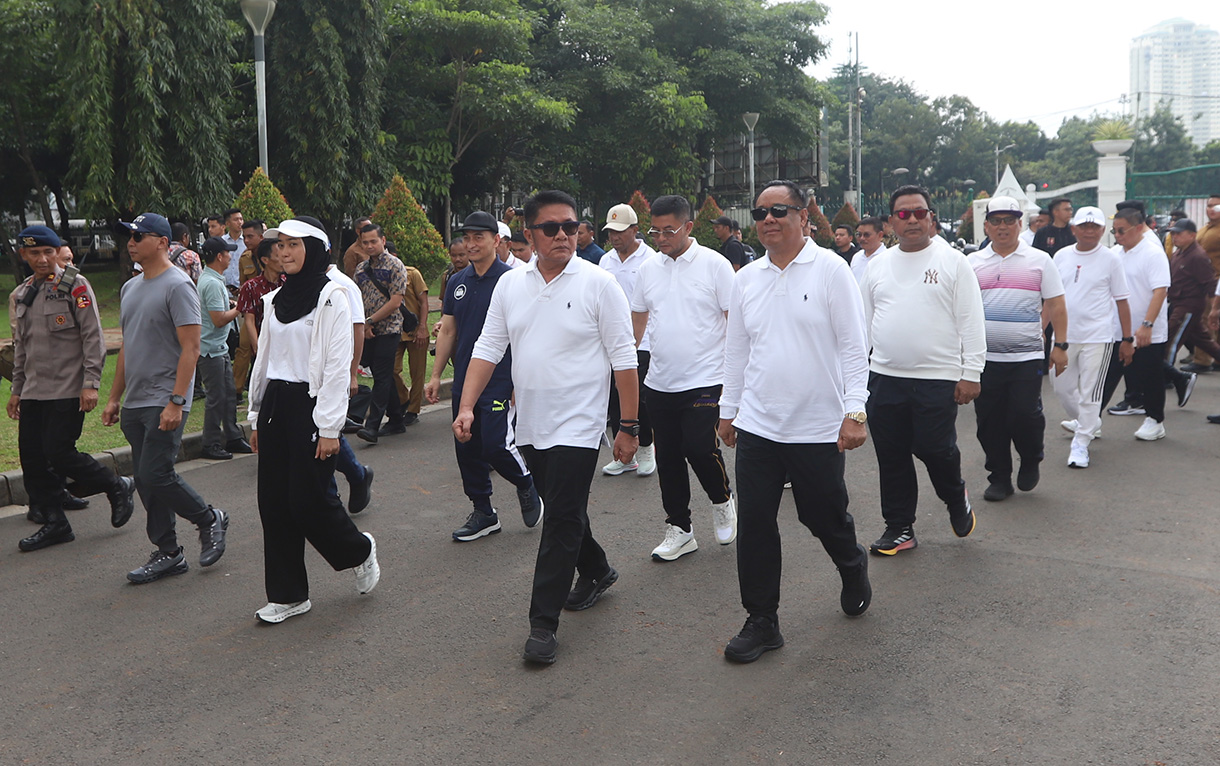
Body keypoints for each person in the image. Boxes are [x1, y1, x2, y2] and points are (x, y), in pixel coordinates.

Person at [455, 190, 638, 666]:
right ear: (529, 236)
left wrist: (630, 426)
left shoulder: (600, 284)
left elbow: (624, 361)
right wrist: (467, 406)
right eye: (552, 228)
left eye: (571, 226)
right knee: (565, 507)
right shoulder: (511, 287)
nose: (564, 235)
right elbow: (487, 348)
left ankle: (542, 623)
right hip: (532, 423)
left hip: (580, 424)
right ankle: (597, 569)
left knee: (558, 519)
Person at [717, 180, 872, 663]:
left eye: (779, 211)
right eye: (760, 213)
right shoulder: (746, 279)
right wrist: (728, 409)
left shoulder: (830, 270)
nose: (768, 220)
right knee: (757, 523)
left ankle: (851, 564)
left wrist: (855, 411)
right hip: (760, 425)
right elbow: (737, 350)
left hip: (818, 427)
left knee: (822, 514)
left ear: (804, 217)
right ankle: (762, 620)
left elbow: (853, 345)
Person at [246, 217, 380, 623]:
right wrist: (255, 414)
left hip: (311, 404)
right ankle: (288, 596)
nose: (283, 253)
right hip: (275, 405)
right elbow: (265, 361)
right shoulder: (276, 299)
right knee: (273, 502)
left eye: (294, 245)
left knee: (307, 501)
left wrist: (329, 427)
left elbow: (339, 366)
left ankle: (359, 551)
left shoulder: (333, 297)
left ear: (316, 249)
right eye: (280, 246)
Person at [101, 213, 230, 584]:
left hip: (164, 396)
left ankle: (209, 519)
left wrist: (177, 400)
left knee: (155, 472)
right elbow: (129, 346)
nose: (130, 241)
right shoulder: (130, 287)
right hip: (137, 400)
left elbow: (191, 347)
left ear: (161, 242)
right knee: (146, 481)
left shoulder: (178, 285)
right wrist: (114, 398)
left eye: (138, 235)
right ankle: (169, 552)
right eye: (128, 235)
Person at [859, 185, 986, 556]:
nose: (912, 219)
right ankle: (899, 527)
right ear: (891, 222)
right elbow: (862, 324)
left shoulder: (953, 261)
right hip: (884, 376)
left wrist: (972, 372)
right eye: (903, 214)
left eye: (919, 212)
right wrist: (852, 377)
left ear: (931, 217)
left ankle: (955, 496)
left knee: (934, 448)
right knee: (892, 454)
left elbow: (971, 320)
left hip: (938, 377)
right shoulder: (877, 265)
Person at [8, 226, 136, 552]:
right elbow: (21, 348)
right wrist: (17, 389)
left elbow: (93, 336)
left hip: (67, 388)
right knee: (33, 460)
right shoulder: (23, 293)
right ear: (24, 255)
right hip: (34, 390)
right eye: (34, 253)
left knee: (59, 453)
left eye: (47, 252)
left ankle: (116, 485)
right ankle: (55, 522)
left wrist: (91, 383)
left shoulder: (74, 286)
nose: (41, 258)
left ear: (56, 251)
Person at [426, 211, 543, 542]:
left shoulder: (513, 281)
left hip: (502, 379)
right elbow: (448, 329)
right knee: (466, 444)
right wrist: (436, 376)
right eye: (467, 237)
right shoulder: (458, 282)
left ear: (497, 241)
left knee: (494, 444)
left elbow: (528, 334)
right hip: (466, 378)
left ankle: (525, 483)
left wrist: (523, 380)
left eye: (479, 237)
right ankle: (484, 511)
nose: (471, 243)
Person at [631, 195, 736, 561]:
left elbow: (733, 322)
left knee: (698, 447)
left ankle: (722, 500)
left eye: (668, 230)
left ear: (688, 227)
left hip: (706, 377)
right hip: (660, 380)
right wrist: (627, 358)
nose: (660, 238)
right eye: (654, 231)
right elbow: (639, 319)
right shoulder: (648, 269)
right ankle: (680, 528)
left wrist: (738, 381)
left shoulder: (715, 265)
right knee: (670, 457)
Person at [966, 197, 1068, 502]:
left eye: (1009, 221)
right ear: (986, 226)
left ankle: (1031, 456)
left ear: (1019, 224)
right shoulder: (972, 263)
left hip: (1026, 356)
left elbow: (1056, 304)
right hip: (984, 359)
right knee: (989, 422)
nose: (1002, 227)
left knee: (1024, 414)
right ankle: (999, 477)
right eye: (996, 221)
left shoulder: (1039, 260)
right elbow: (962, 310)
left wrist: (1061, 345)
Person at [1050, 207, 1133, 469]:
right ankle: (1089, 421)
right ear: (1073, 229)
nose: (1089, 231)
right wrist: (1039, 330)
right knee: (1060, 386)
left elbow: (1122, 301)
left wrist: (1127, 338)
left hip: (1098, 336)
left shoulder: (1110, 259)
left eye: (1094, 227)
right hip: (1063, 336)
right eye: (1084, 226)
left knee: (1090, 392)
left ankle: (1081, 443)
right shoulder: (1061, 256)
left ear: (1101, 230)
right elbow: (1051, 299)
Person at [1099, 208, 1173, 441]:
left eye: (1122, 231)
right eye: (1114, 231)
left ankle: (1155, 420)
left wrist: (1147, 324)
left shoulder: (1152, 253)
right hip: (1118, 328)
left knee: (1150, 375)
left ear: (1139, 227)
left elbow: (1160, 291)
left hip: (1146, 330)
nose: (1117, 235)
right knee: (1106, 374)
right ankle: (1090, 419)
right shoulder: (1114, 254)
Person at [598, 203, 659, 478]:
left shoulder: (651, 259)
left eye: (621, 231)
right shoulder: (605, 261)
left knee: (640, 400)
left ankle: (646, 448)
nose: (615, 237)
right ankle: (624, 456)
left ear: (635, 230)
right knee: (613, 398)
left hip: (644, 341)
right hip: (611, 340)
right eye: (611, 232)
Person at [195, 236, 251, 461]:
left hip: (217, 348)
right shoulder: (211, 283)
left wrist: (233, 305)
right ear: (219, 256)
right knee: (216, 398)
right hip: (210, 350)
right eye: (227, 252)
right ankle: (210, 443)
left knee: (228, 395)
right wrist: (241, 308)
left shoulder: (211, 279)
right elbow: (218, 319)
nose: (230, 256)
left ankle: (232, 435)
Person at [353, 223, 410, 443]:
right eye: (365, 242)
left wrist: (369, 321)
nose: (369, 246)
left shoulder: (395, 265)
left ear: (383, 241)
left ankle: (372, 426)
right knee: (378, 373)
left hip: (390, 328)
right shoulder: (360, 269)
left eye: (373, 241)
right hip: (368, 330)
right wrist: (363, 326)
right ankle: (396, 418)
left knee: (383, 374)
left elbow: (396, 301)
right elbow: (357, 299)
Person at [1164, 219, 1214, 405]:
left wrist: (1213, 309)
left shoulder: (1197, 256)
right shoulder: (1180, 253)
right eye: (1173, 233)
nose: (1174, 236)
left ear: (1192, 235)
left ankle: (1167, 375)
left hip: (1189, 305)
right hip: (1178, 302)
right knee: (1204, 341)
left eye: (1179, 233)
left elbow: (1209, 283)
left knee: (1171, 340)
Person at [388, 246, 429, 431]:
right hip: (395, 330)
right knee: (392, 370)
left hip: (415, 330)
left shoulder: (412, 274)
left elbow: (424, 302)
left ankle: (413, 410)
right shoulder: (382, 276)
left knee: (417, 372)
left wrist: (422, 327)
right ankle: (404, 399)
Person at [1183, 195, 1220, 372]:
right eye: (1209, 205)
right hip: (1202, 281)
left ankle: (1202, 360)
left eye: (1216, 206)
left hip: (1214, 281)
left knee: (1205, 321)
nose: (1211, 209)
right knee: (1210, 320)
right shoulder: (1206, 228)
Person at [849, 216, 887, 284]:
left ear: (880, 235)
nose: (862, 238)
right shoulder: (856, 257)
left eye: (867, 235)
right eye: (859, 234)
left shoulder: (887, 258)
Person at [219, 208, 246, 289]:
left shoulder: (247, 242)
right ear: (228, 223)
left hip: (241, 288)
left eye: (241, 219)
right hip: (224, 288)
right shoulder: (222, 241)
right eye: (236, 220)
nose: (239, 222)